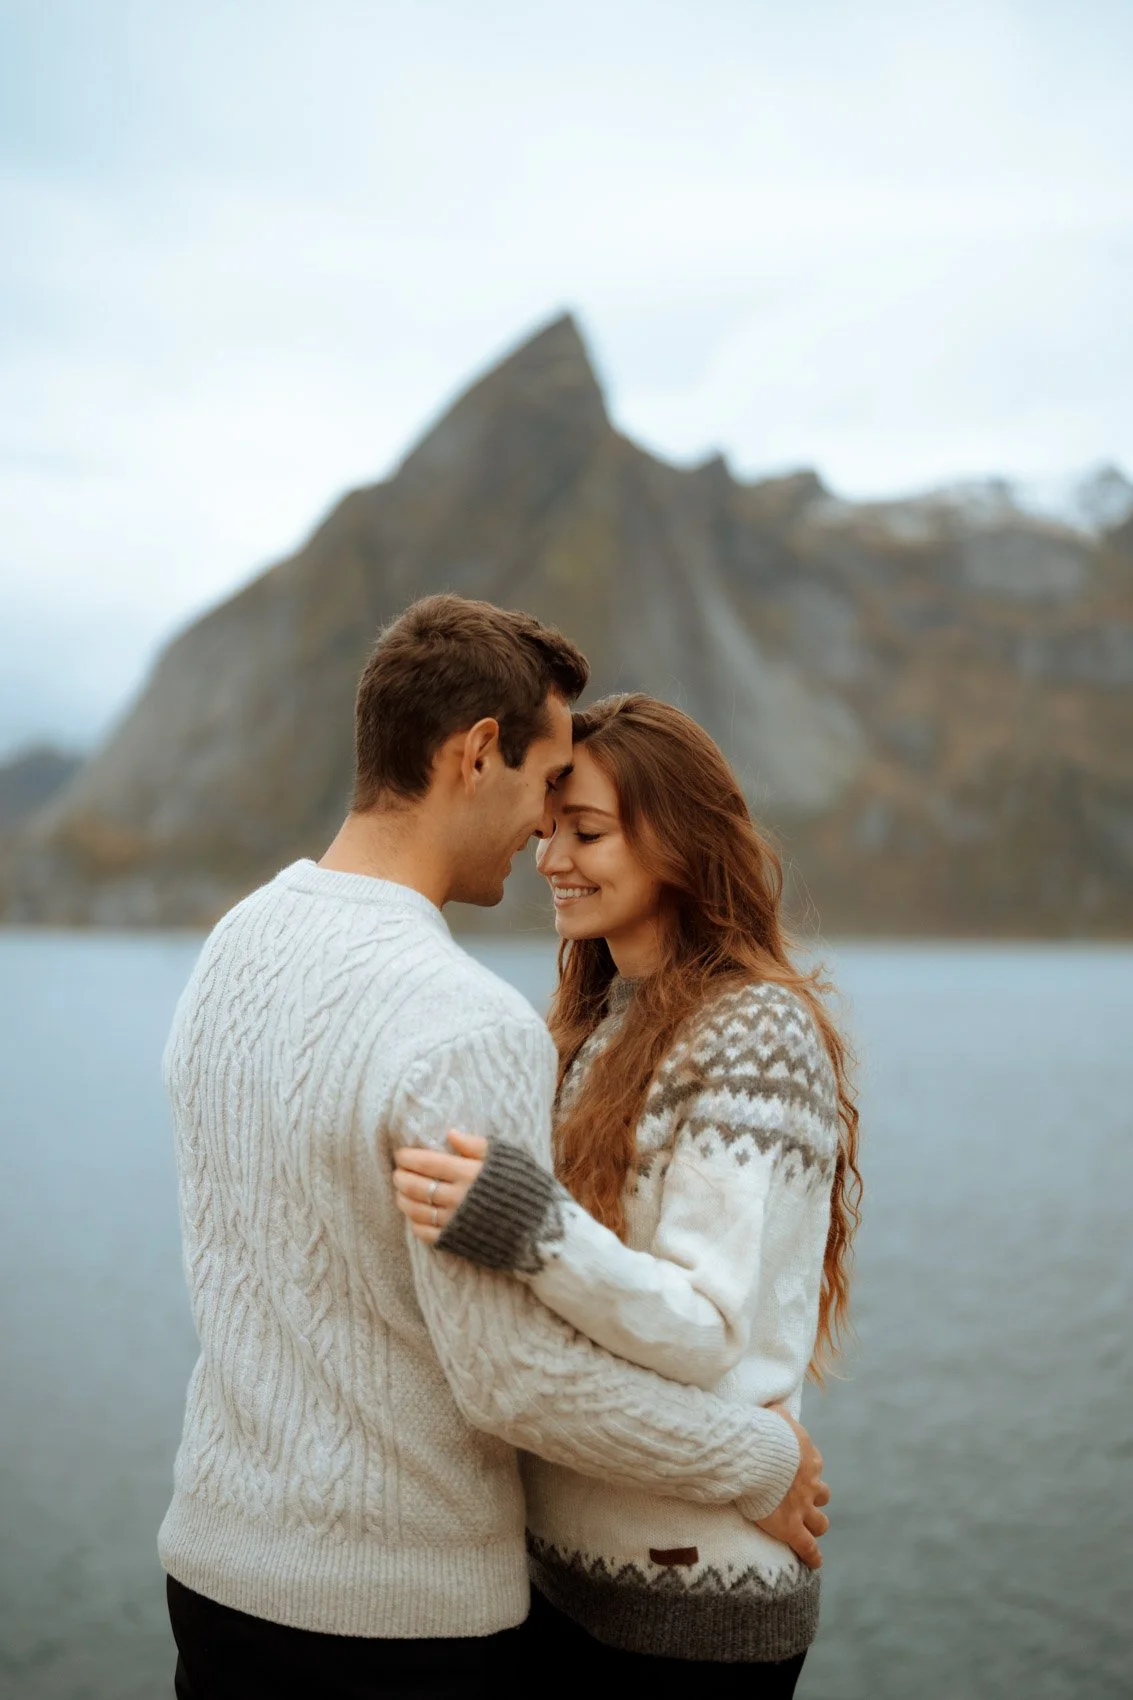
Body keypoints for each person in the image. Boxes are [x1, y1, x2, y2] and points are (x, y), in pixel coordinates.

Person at [159, 597, 829, 1700]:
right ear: (477, 752)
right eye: (540, 790)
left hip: (218, 1574)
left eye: (581, 823)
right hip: (390, 1617)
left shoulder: (236, 941)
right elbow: (509, 1378)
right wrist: (755, 1460)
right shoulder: (466, 1019)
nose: (542, 833)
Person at [393, 692, 860, 1694]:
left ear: (681, 841)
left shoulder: (754, 1031)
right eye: (549, 829)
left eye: (588, 832)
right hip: (564, 1586)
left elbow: (706, 1326)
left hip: (692, 1612)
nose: (550, 857)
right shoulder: (599, 1021)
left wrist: (526, 1222)